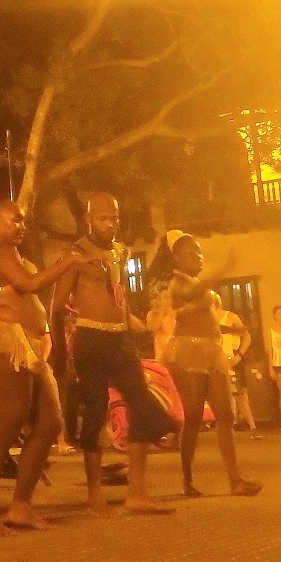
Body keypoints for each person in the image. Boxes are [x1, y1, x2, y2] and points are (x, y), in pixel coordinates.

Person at [0, 198, 86, 535]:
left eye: (24, 220)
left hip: (27, 348)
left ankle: (20, 507)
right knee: (6, 424)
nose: (22, 225)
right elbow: (31, 286)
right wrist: (66, 261)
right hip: (6, 348)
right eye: (15, 219)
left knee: (49, 422)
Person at [50, 193, 173, 517]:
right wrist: (61, 353)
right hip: (90, 339)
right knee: (95, 414)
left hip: (121, 340)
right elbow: (57, 305)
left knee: (143, 406)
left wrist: (132, 323)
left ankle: (137, 492)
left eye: (115, 217)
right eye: (103, 218)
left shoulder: (120, 252)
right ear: (89, 219)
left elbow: (120, 296)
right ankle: (94, 496)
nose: (111, 224)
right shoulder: (76, 254)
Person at [149, 230, 261, 498]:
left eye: (200, 252)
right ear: (176, 258)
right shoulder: (177, 283)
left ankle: (235, 480)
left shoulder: (194, 282)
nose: (199, 257)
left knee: (226, 414)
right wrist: (223, 269)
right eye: (192, 252)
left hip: (212, 351)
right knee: (193, 417)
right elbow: (193, 291)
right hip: (188, 353)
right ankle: (187, 479)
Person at [217, 301, 256, 432]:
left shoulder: (230, 317)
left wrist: (239, 355)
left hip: (230, 360)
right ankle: (228, 426)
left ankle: (252, 427)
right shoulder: (204, 318)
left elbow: (246, 336)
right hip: (213, 362)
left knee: (239, 394)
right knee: (220, 396)